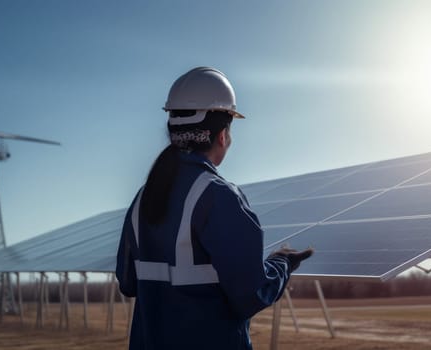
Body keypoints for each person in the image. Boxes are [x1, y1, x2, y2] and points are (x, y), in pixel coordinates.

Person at [115, 67, 314, 350]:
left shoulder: (143, 198)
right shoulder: (217, 196)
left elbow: (128, 283)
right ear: (222, 135)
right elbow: (251, 294)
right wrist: (282, 264)